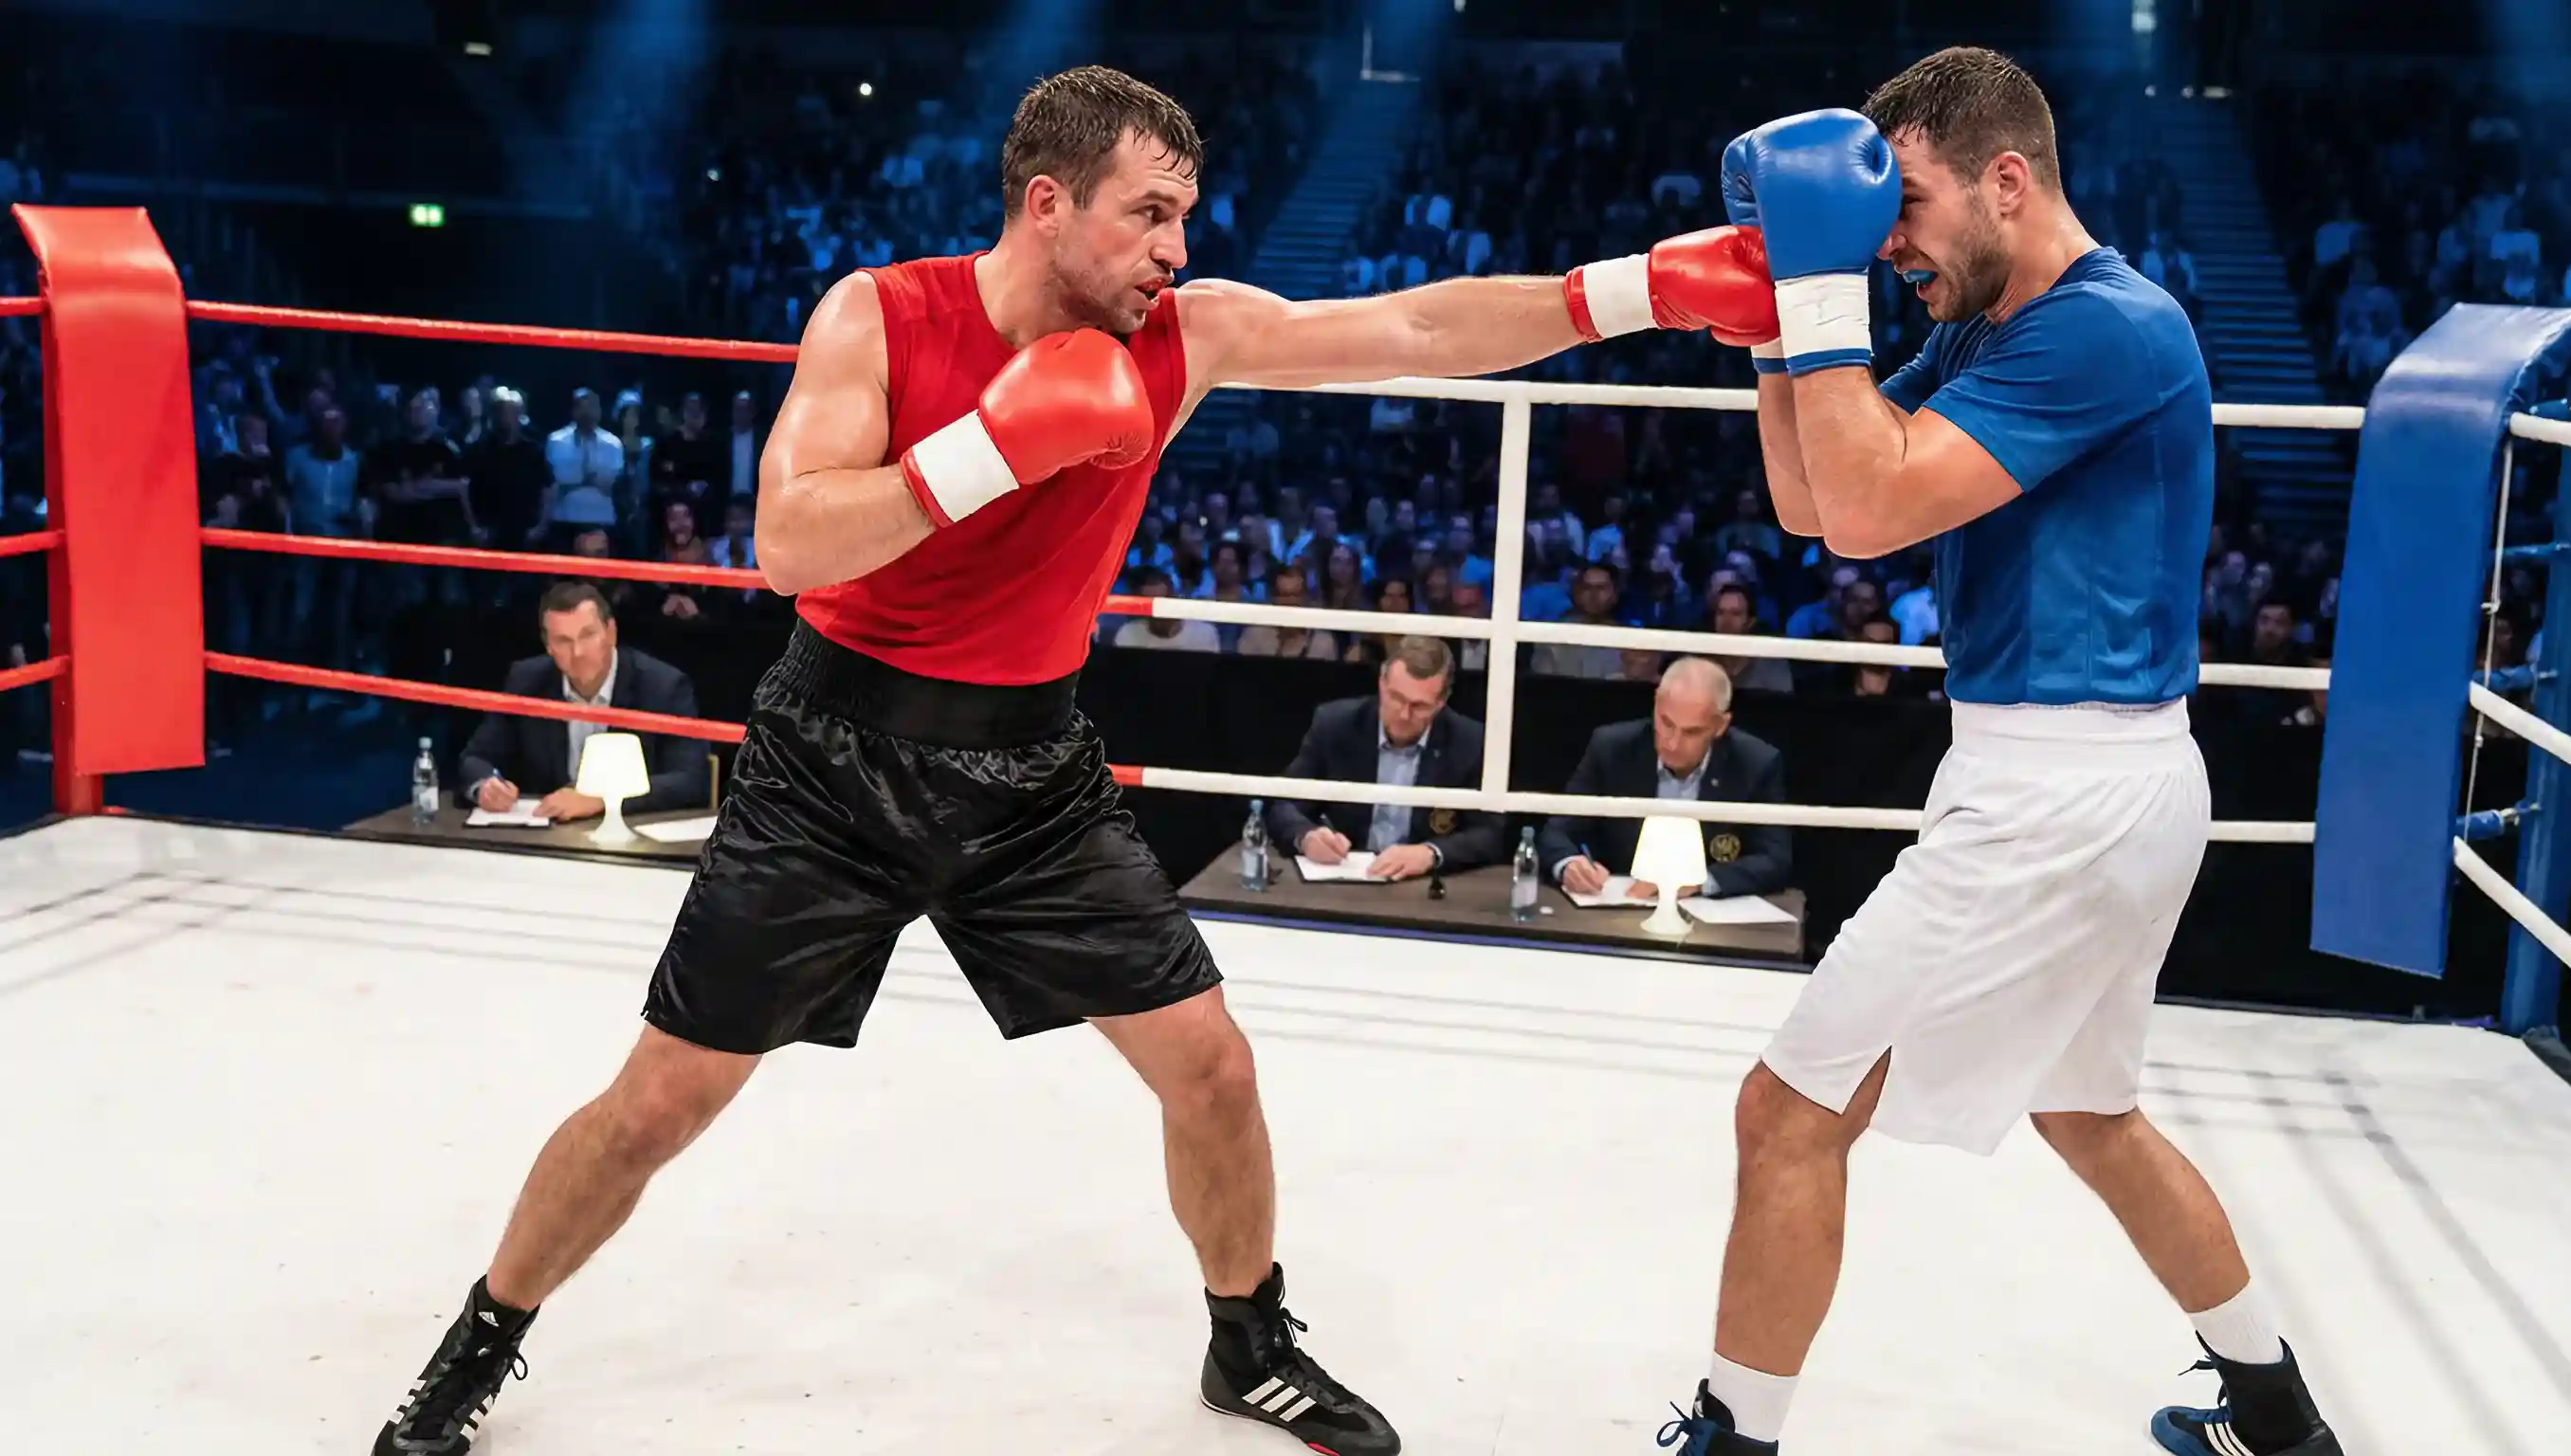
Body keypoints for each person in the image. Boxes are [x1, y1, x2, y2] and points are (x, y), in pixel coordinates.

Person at [372, 63, 1778, 1456]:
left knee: (1212, 1069)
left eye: (1186, 217)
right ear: (1047, 204)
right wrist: (993, 449)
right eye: (1149, 214)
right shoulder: (880, 314)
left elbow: (1411, 325)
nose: (1177, 250)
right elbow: (790, 545)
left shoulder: (1189, 334)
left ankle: (1250, 1342)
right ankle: (479, 1340)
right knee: (658, 1104)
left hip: (1028, 766)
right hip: (831, 758)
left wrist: (1645, 288)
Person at [1662, 49, 2341, 1456]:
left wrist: (1813, 294)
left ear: (2007, 180)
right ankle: (2277, 1417)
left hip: (2060, 792)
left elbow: (1867, 502)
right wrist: (1789, 339)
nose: (1886, 239)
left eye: (1901, 203)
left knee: (1790, 1114)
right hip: (2089, 778)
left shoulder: (2107, 331)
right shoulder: (1986, 323)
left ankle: (1736, 1439)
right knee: (2090, 1111)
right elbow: (1817, 506)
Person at [1541, 657, 1790, 901]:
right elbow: (1557, 832)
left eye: (1692, 732)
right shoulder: (1612, 748)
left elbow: (1774, 859)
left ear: (1720, 725)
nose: (1673, 743)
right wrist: (1569, 864)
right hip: (1623, 907)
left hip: (1706, 918)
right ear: (1656, 703)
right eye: (1666, 723)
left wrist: (1699, 881)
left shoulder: (1755, 763)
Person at [457, 582, 709, 822]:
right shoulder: (526, 681)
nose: (577, 652)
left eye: (587, 635)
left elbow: (691, 779)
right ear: (548, 646)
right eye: (563, 641)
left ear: (611, 633)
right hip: (545, 839)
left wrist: (601, 799)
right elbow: (475, 759)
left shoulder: (663, 686)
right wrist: (486, 787)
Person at [1263, 635, 1502, 879]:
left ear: (1441, 702)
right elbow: (1285, 804)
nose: (1404, 715)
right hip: (1344, 876)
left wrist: (1430, 853)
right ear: (1381, 683)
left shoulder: (1469, 741)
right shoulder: (1335, 724)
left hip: (1421, 885)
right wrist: (1307, 837)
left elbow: (1492, 833)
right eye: (1396, 698)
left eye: (1419, 706)